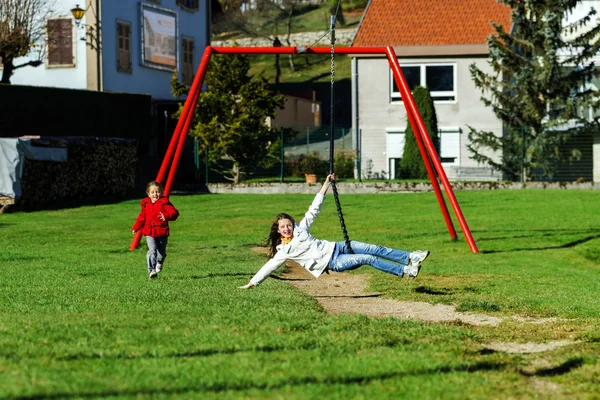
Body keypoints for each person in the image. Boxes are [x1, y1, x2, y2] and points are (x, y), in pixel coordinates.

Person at [239, 173, 429, 289]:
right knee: (367, 259)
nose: (287, 228)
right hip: (332, 262)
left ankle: (411, 256)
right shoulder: (283, 250)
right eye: (283, 227)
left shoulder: (300, 229)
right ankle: (406, 271)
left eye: (288, 224)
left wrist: (326, 184)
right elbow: (270, 266)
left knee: (374, 248)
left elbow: (313, 209)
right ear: (279, 230)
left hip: (337, 247)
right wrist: (253, 282)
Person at [132, 181, 180, 279]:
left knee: (161, 254)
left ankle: (160, 261)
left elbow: (175, 213)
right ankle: (152, 271)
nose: (155, 194)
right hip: (150, 232)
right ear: (148, 194)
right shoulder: (146, 204)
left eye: (157, 192)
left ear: (161, 192)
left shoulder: (164, 203)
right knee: (152, 250)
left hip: (162, 232)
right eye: (152, 192)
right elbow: (142, 217)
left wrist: (166, 215)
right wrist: (136, 227)